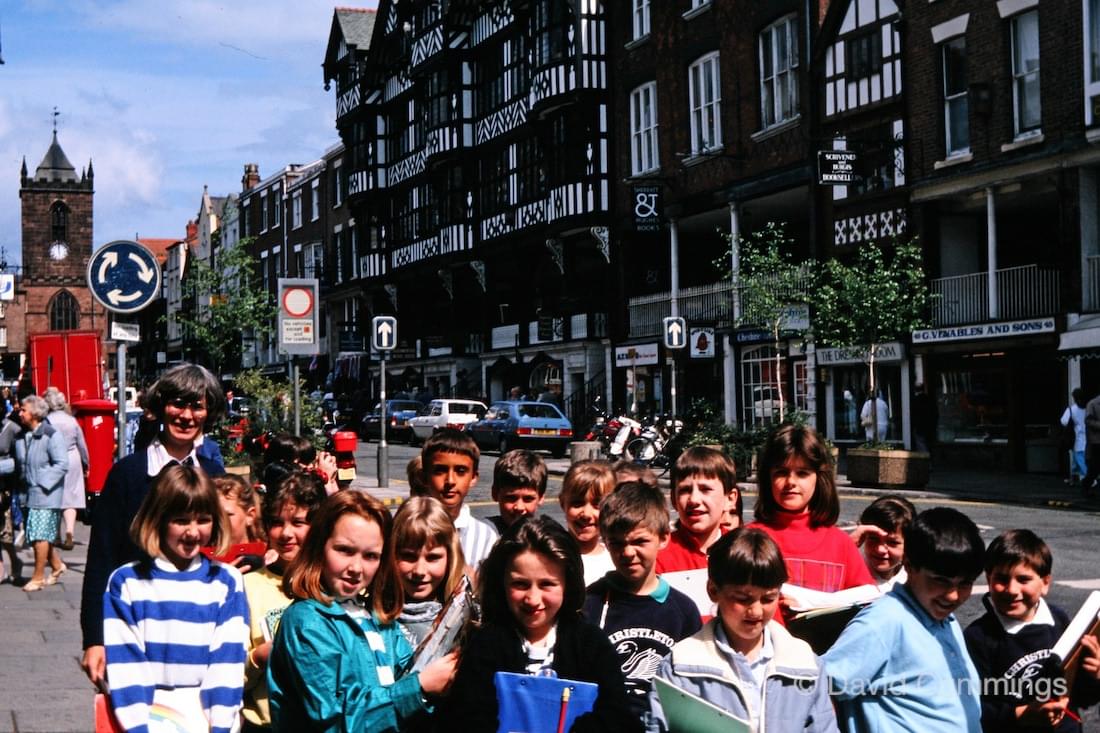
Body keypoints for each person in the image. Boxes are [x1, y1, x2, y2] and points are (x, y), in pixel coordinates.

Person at [80, 363, 227, 688]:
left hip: (198, 629)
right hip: (135, 625)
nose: (186, 416)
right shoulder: (128, 475)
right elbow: (101, 559)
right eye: (178, 404)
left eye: (197, 406)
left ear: (209, 412)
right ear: (161, 406)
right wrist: (94, 638)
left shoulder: (215, 476)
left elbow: (228, 549)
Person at [267, 491, 458, 732]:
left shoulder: (376, 617)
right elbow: (334, 718)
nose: (356, 568)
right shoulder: (307, 622)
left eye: (370, 556)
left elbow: (407, 673)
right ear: (319, 547)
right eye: (345, 550)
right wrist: (419, 686)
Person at [446, 515, 641, 732]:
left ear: (568, 584)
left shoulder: (591, 644)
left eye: (547, 584)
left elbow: (619, 715)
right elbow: (465, 717)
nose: (533, 599)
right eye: (520, 584)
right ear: (502, 583)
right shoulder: (486, 644)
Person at [646, 528, 839, 732]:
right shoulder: (680, 665)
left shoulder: (805, 663)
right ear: (713, 591)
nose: (756, 611)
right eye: (743, 599)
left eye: (768, 599)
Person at [103, 464, 248, 733]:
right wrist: (138, 727)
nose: (193, 532)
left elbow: (227, 663)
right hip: (148, 716)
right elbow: (126, 665)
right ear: (158, 519)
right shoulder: (127, 582)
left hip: (205, 718)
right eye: (181, 520)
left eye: (203, 520)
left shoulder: (226, 581)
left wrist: (220, 725)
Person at [824, 507, 986, 733]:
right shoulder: (884, 621)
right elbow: (821, 687)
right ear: (909, 566)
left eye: (965, 584)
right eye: (941, 580)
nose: (953, 595)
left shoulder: (945, 619)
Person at [583, 482, 701, 719]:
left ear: (664, 538)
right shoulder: (591, 602)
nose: (628, 553)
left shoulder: (683, 611)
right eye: (617, 543)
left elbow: (694, 687)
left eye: (639, 542)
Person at [964, 529, 1100, 732]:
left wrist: (1094, 675)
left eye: (1023, 579)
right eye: (1001, 579)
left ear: (1045, 583)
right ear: (989, 579)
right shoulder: (978, 637)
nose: (1012, 590)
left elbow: (1082, 697)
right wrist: (1021, 715)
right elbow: (971, 707)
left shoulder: (1059, 621)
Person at [242, 471, 327, 732]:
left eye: (298, 522)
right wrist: (258, 657)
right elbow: (227, 674)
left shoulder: (334, 585)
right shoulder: (247, 587)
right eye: (277, 522)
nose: (286, 533)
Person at [748, 425, 873, 600]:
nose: (790, 482)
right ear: (768, 478)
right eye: (781, 472)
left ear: (819, 478)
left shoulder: (841, 544)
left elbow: (867, 601)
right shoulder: (748, 539)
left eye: (802, 473)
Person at [374, 496, 468, 646]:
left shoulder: (466, 620)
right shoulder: (370, 616)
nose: (419, 571)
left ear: (450, 558)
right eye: (408, 556)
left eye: (432, 558)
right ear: (391, 554)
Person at [420, 428, 498, 571]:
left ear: (473, 478)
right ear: (424, 477)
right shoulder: (406, 529)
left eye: (461, 471)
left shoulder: (486, 537)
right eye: (440, 471)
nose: (450, 480)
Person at [15, 394, 69, 592]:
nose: (20, 413)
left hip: (46, 494)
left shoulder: (50, 435)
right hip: (30, 493)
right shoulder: (25, 435)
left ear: (35, 413)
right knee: (37, 534)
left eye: (24, 410)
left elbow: (62, 464)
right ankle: (57, 565)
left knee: (40, 537)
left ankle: (38, 578)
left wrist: (42, 483)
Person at [656, 447, 738, 574]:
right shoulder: (658, 556)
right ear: (673, 499)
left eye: (705, 489)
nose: (694, 500)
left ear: (730, 499)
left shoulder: (743, 551)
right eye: (685, 490)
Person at [44, 387, 89, 552]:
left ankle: (56, 535)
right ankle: (70, 532)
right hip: (72, 458)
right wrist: (86, 463)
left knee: (55, 497)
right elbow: (81, 444)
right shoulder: (72, 421)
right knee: (71, 497)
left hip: (53, 459)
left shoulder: (47, 421)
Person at [559, 459, 616, 585]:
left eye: (597, 504)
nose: (586, 514)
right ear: (563, 503)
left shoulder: (616, 561)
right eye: (577, 503)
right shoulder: (550, 557)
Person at [849, 495, 915, 592]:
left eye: (892, 542)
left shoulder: (915, 578)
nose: (880, 549)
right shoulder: (850, 567)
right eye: (873, 538)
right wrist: (847, 546)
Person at [487, 449, 547, 534]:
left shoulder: (548, 537)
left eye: (528, 499)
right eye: (511, 498)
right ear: (495, 494)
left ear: (541, 498)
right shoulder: (483, 535)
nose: (519, 507)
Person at [0, 407, 24, 584]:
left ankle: (15, 561)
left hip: (4, 487)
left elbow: (20, 461)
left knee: (5, 534)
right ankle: (1, 570)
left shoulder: (12, 429)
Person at [1061, 388, 1088, 487]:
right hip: (1088, 438)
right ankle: (1074, 478)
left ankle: (1088, 477)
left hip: (1077, 439)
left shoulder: (1072, 410)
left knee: (1079, 459)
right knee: (1079, 460)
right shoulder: (1089, 408)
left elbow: (1063, 421)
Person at [912, 382, 939, 453]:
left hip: (919, 427)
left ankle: (925, 458)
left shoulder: (915, 400)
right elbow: (935, 413)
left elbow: (913, 415)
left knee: (921, 444)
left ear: (915, 390)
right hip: (930, 426)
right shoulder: (929, 399)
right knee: (929, 444)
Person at [1083, 390, 1100, 497]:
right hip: (1096, 441)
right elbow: (1088, 420)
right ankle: (1086, 486)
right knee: (1095, 467)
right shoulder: (1093, 404)